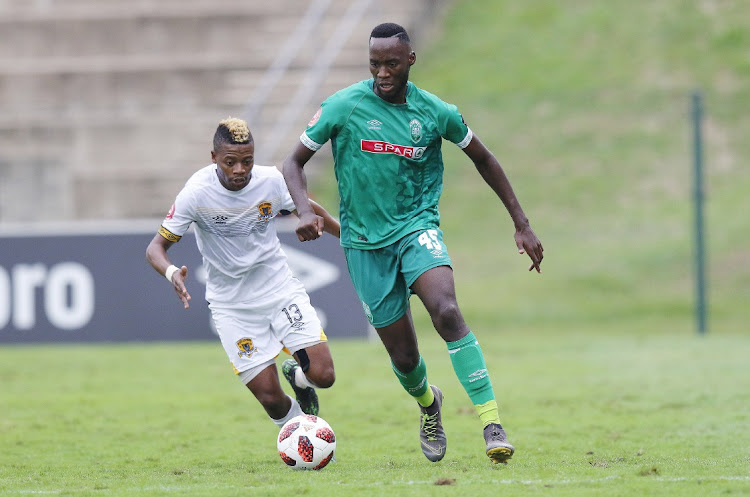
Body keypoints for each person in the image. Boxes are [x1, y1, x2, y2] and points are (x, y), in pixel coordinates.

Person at [283, 23, 543, 464]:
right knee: (404, 357)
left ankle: (492, 423)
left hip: (416, 227)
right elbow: (293, 162)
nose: (382, 73)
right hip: (365, 245)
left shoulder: (436, 112)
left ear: (410, 61)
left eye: (391, 63)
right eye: (374, 64)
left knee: (447, 310)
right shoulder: (343, 106)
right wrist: (304, 211)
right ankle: (429, 405)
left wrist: (521, 222)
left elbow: (484, 157)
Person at [146, 117, 341, 432]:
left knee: (324, 375)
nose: (239, 169)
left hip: (279, 290)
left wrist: (350, 240)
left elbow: (313, 210)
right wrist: (171, 273)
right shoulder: (196, 193)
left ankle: (300, 379)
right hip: (232, 306)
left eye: (247, 161)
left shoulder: (271, 182)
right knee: (271, 400)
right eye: (230, 162)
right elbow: (155, 248)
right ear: (214, 159)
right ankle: (301, 437)